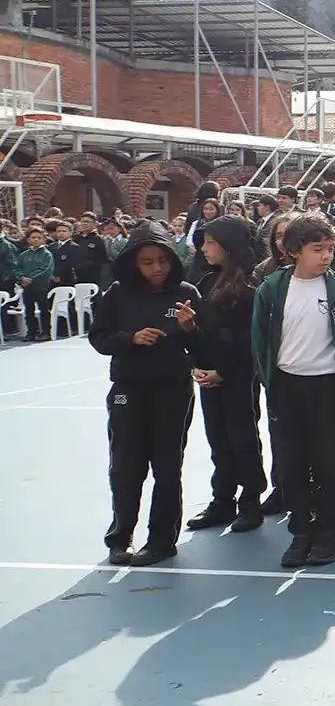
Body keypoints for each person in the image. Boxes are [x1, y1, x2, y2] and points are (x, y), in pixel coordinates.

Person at [252, 212, 335, 569]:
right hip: (287, 387)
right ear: (293, 251)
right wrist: (269, 378)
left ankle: (327, 531)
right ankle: (301, 531)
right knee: (291, 463)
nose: (327, 256)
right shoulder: (272, 289)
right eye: (318, 249)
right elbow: (260, 339)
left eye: (330, 249)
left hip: (329, 387)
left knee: (330, 462)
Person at [88, 221, 203, 566]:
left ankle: (162, 540)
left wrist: (189, 329)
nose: (157, 268)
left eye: (163, 260)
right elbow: (99, 338)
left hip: (172, 389)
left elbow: (203, 345)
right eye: (147, 261)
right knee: (125, 466)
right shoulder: (117, 294)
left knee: (167, 467)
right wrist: (130, 338)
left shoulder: (187, 293)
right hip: (129, 388)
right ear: (133, 263)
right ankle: (120, 538)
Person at [183, 217, 267, 536]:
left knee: (242, 437)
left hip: (238, 377)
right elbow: (202, 333)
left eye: (210, 242)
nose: (203, 248)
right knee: (217, 438)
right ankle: (223, 499)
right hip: (209, 376)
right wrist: (196, 361)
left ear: (229, 246)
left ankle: (250, 501)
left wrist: (223, 371)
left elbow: (249, 342)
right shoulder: (206, 283)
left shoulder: (249, 290)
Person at [15, 224, 54, 341]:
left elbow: (45, 270)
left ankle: (46, 332)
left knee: (43, 310)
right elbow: (17, 268)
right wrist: (21, 278)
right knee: (29, 310)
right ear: (28, 239)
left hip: (41, 287)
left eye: (39, 237)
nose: (36, 240)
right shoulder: (23, 255)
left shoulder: (47, 254)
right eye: (33, 237)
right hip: (27, 288)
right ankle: (31, 332)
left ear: (44, 239)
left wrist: (30, 279)